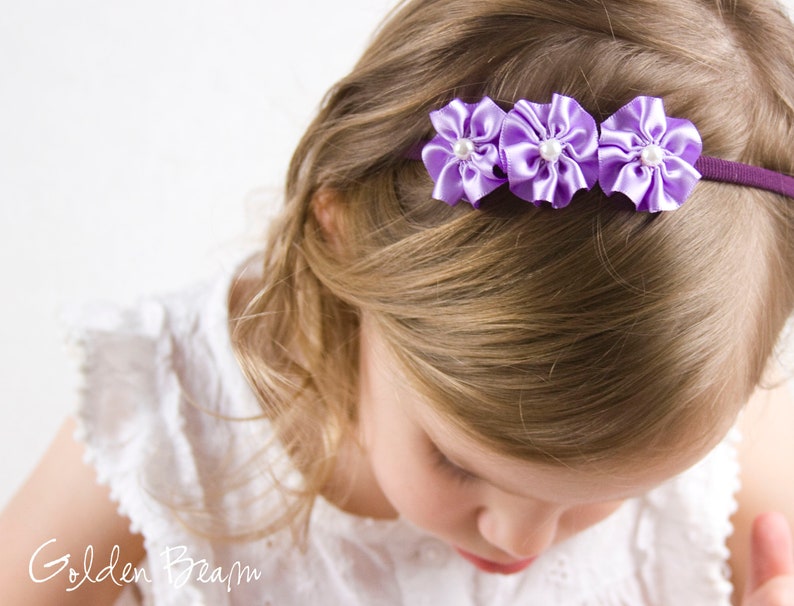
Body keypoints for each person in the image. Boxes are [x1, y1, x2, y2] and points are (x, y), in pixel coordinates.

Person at [2, 0, 794, 603]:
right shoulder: (171, 422)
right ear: (341, 237)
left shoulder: (714, 429)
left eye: (611, 490)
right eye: (455, 461)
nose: (521, 536)